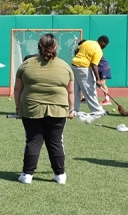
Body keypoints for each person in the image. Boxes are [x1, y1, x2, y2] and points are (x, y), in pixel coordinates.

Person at [14, 33, 75, 185]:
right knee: (55, 142)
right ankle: (60, 175)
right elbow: (71, 92)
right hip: (59, 109)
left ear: (39, 46)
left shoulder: (26, 65)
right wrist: (71, 109)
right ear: (56, 47)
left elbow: (17, 89)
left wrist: (17, 108)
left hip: (31, 108)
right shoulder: (65, 66)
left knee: (33, 140)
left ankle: (27, 175)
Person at [71, 35, 108, 114]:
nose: (105, 46)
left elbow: (76, 50)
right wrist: (98, 80)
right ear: (102, 42)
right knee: (90, 90)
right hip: (83, 68)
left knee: (76, 89)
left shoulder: (87, 42)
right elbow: (94, 65)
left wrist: (79, 58)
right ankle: (97, 111)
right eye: (105, 44)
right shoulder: (98, 50)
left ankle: (73, 109)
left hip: (74, 66)